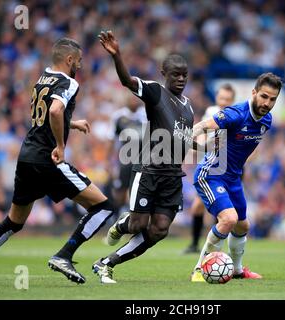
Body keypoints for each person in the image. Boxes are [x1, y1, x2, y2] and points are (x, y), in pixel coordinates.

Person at [0, 38, 115, 287]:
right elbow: (55, 111)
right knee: (103, 206)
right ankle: (64, 256)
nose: (80, 66)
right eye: (79, 61)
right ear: (69, 60)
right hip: (48, 160)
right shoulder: (69, 82)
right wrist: (61, 146)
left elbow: (45, 115)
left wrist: (73, 122)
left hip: (26, 157)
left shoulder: (42, 79)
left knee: (13, 222)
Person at [93, 30, 194, 283]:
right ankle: (122, 225)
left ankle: (106, 263)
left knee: (160, 229)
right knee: (138, 225)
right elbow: (127, 81)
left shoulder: (189, 106)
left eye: (184, 75)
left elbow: (182, 140)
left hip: (172, 176)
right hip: (149, 171)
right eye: (175, 74)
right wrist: (117, 56)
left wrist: (207, 146)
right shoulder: (154, 92)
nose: (181, 79)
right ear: (164, 74)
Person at [190, 72, 283, 282]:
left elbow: (244, 147)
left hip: (233, 178)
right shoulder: (236, 113)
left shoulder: (266, 120)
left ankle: (237, 271)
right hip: (211, 174)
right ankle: (198, 270)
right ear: (254, 93)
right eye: (264, 96)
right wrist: (190, 138)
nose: (267, 103)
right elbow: (202, 126)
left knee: (243, 225)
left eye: (272, 99)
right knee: (229, 219)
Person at [183, 83, 236, 254]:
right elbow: (205, 135)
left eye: (227, 99)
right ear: (217, 97)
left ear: (232, 100)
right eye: (221, 98)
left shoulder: (237, 115)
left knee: (228, 211)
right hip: (213, 165)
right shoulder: (211, 112)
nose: (223, 102)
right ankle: (196, 244)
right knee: (199, 206)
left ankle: (219, 248)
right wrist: (197, 146)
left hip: (231, 167)